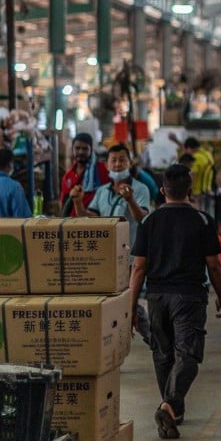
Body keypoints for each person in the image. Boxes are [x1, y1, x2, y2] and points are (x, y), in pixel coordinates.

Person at [129, 164, 221, 440]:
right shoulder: (203, 220)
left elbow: (138, 268)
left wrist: (131, 307)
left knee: (163, 355)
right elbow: (215, 265)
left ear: (162, 191)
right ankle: (170, 405)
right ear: (191, 190)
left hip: (157, 297)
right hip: (189, 296)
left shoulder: (149, 222)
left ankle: (173, 411)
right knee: (188, 354)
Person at [78, 143, 152, 346]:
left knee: (130, 301)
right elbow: (91, 217)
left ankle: (151, 338)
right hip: (106, 259)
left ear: (130, 162)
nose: (118, 164)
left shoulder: (140, 189)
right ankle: (127, 340)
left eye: (122, 160)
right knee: (118, 304)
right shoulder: (102, 192)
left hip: (131, 258)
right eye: (114, 160)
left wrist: (130, 199)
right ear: (107, 164)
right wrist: (77, 203)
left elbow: (142, 219)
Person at [60, 132, 109, 216]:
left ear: (91, 150)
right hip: (74, 224)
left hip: (96, 221)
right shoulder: (68, 176)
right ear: (72, 149)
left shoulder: (103, 170)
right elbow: (63, 202)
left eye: (85, 149)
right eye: (77, 148)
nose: (81, 152)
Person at [182, 137, 215, 202]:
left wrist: (187, 192)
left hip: (196, 192)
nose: (186, 153)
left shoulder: (195, 157)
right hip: (207, 190)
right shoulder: (208, 154)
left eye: (186, 150)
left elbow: (193, 175)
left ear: (189, 148)